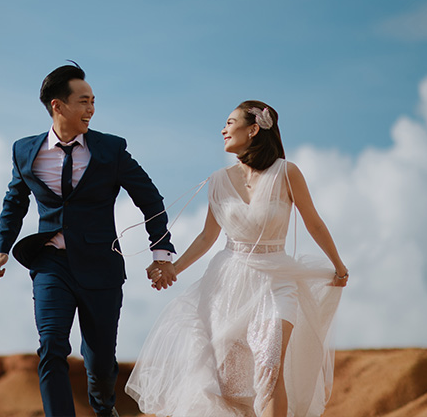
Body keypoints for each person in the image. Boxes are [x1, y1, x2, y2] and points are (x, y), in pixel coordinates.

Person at [126, 100, 348, 417]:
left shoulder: (286, 172)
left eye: (230, 123)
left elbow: (313, 221)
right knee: (230, 385)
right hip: (227, 284)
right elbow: (207, 237)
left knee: (270, 367)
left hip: (277, 280)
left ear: (254, 129)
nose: (223, 130)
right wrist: (173, 267)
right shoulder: (217, 180)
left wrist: (337, 264)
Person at [0, 63, 177, 417]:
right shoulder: (25, 151)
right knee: (52, 345)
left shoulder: (110, 149)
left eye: (93, 101)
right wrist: (1, 247)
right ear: (58, 106)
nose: (91, 109)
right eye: (84, 101)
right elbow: (15, 201)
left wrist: (161, 251)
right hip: (50, 264)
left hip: (100, 266)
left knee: (100, 361)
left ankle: (104, 408)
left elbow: (149, 199)